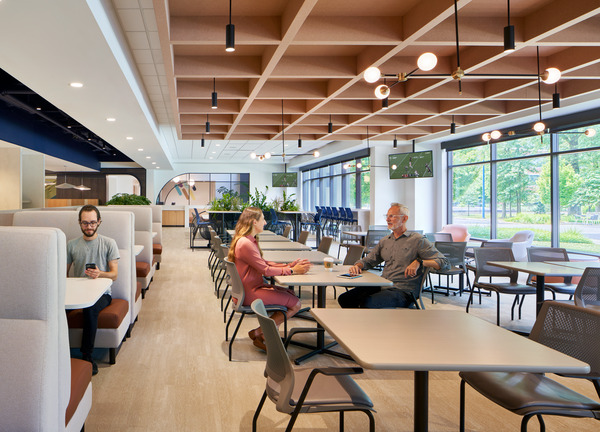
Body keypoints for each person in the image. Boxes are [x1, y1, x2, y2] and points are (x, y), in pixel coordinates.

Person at [227, 207, 311, 351]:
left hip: (249, 289)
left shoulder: (247, 241)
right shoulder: (246, 244)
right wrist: (291, 270)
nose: (265, 223)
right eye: (263, 219)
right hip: (249, 294)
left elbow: (263, 263)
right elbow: (265, 270)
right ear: (254, 222)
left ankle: (263, 332)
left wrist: (289, 265)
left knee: (290, 294)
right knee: (296, 303)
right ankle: (262, 332)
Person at [337, 203, 449, 309]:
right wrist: (359, 265)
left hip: (404, 291)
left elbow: (445, 263)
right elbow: (370, 260)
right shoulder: (385, 241)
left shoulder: (417, 240)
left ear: (404, 219)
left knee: (367, 303)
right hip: (382, 284)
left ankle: (368, 327)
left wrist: (420, 262)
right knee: (345, 299)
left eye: (392, 216)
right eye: (387, 216)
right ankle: (360, 326)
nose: (387, 219)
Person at [67, 205, 119, 375]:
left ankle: (87, 356)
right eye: (85, 223)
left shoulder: (109, 243)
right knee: (57, 310)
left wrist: (100, 273)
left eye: (92, 223)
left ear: (99, 222)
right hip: (76, 291)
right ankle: (59, 352)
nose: (89, 227)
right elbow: (64, 274)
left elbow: (114, 275)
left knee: (90, 310)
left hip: (102, 293)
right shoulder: (71, 245)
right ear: (79, 223)